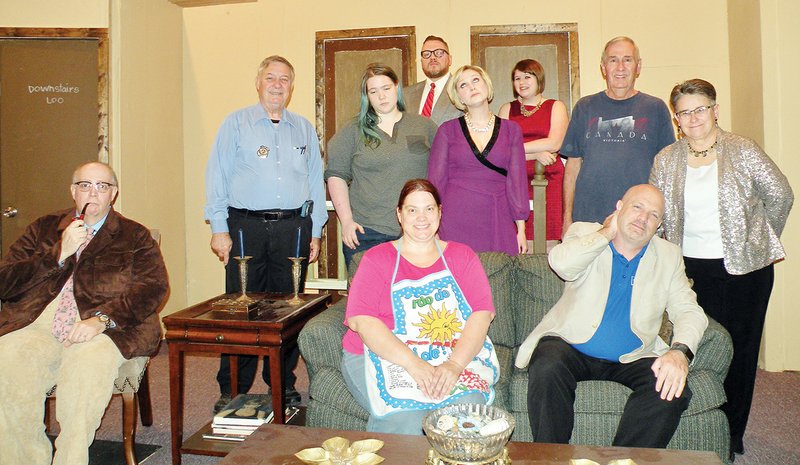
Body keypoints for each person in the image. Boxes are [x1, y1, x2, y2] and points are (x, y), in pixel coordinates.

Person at [649, 79, 793, 459]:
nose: (693, 118)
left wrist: (756, 240)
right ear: (676, 118)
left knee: (741, 353)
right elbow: (657, 214)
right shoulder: (666, 159)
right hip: (689, 270)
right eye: (684, 111)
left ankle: (730, 437)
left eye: (700, 109)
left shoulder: (743, 150)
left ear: (715, 109)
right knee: (692, 347)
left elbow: (781, 194)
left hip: (744, 272)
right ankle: (694, 428)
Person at [515, 184, 708, 448]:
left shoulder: (668, 255)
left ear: (659, 224)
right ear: (619, 207)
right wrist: (606, 233)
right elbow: (561, 264)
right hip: (571, 345)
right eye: (637, 207)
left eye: (653, 215)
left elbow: (688, 310)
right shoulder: (584, 232)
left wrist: (680, 352)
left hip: (635, 355)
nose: (643, 218)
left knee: (671, 390)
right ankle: (552, 457)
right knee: (548, 365)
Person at [0, 162, 168, 465]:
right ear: (73, 191)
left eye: (102, 186)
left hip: (108, 327)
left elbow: (152, 288)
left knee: (85, 368)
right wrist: (58, 254)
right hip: (38, 321)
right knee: (8, 360)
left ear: (113, 194)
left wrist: (101, 320)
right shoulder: (43, 228)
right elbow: (6, 282)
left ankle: (70, 459)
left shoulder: (134, 236)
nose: (93, 192)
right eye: (85, 185)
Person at [204, 55, 327, 412]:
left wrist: (315, 230)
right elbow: (217, 178)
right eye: (270, 77)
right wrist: (219, 229)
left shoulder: (304, 128)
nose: (277, 84)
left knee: (287, 312)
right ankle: (233, 387)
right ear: (258, 83)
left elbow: (315, 184)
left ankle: (282, 384)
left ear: (292, 86)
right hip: (245, 228)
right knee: (240, 310)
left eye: (284, 79)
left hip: (293, 228)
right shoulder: (236, 124)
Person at [341, 179, 498, 435]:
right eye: (412, 210)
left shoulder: (462, 256)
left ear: (440, 212)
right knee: (407, 421)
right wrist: (416, 366)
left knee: (465, 415)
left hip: (447, 353)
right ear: (399, 214)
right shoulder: (376, 259)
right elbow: (363, 321)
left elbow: (481, 315)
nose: (421, 218)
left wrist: (454, 366)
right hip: (383, 355)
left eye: (429, 209)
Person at [326, 63, 438, 268]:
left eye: (386, 88)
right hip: (366, 234)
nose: (381, 96)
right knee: (368, 299)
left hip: (416, 232)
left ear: (397, 87)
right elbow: (336, 176)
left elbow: (442, 174)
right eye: (373, 91)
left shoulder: (424, 126)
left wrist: (436, 224)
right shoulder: (352, 130)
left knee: (412, 299)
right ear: (366, 96)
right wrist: (347, 221)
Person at [561, 36, 675, 233]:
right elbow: (572, 167)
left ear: (638, 67)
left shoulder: (656, 108)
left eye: (627, 59)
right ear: (604, 68)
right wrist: (567, 219)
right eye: (613, 60)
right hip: (587, 221)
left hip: (638, 223)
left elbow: (667, 171)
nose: (620, 67)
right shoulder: (584, 107)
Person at [428, 65, 529, 256]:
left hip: (497, 214)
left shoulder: (511, 130)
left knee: (498, 278)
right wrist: (434, 226)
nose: (471, 87)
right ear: (459, 97)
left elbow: (517, 181)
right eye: (463, 85)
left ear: (487, 85)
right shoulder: (446, 131)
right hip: (455, 216)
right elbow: (435, 182)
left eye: (475, 80)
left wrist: (521, 229)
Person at [498, 59, 569, 251]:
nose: (522, 82)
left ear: (539, 79)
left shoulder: (556, 106)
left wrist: (517, 148)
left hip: (550, 180)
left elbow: (555, 143)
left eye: (527, 77)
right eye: (517, 78)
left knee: (548, 240)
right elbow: (501, 149)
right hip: (516, 180)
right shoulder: (507, 109)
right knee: (520, 243)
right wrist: (536, 153)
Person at [403, 35, 463, 125]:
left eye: (439, 53)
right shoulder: (406, 95)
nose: (433, 58)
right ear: (421, 61)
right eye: (427, 54)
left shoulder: (461, 90)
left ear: (450, 59)